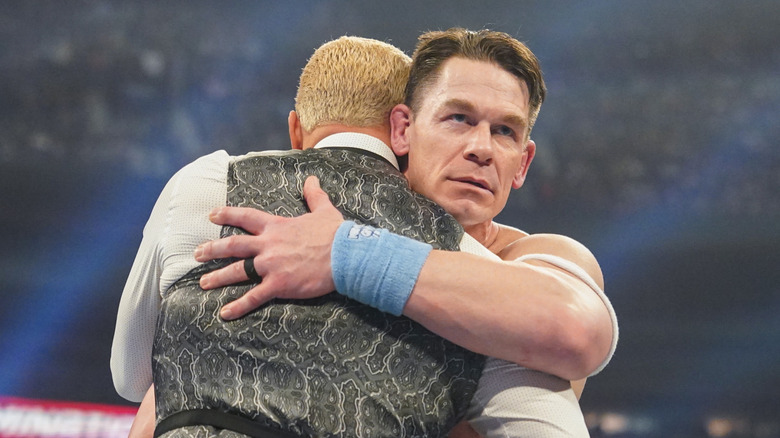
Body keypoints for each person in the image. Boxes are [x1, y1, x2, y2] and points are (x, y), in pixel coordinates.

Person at [112, 34, 597, 437]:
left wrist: (345, 253)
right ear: (404, 131)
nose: (480, 149)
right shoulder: (288, 238)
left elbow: (574, 331)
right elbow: (160, 399)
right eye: (459, 119)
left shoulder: (525, 258)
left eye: (505, 132)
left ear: (523, 163)